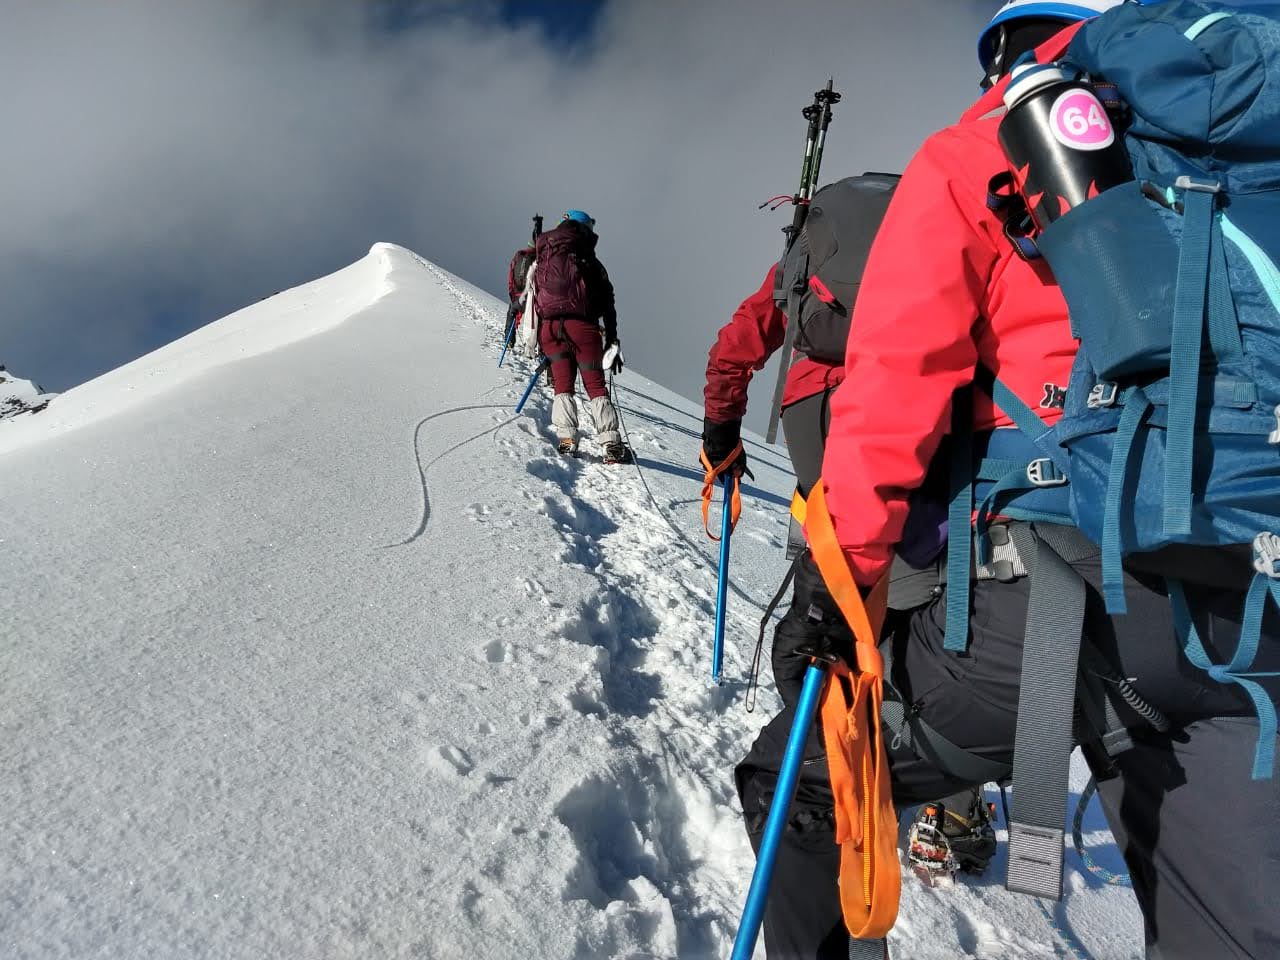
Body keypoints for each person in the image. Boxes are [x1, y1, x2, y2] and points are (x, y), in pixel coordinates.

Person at [771, 1, 1280, 957]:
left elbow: (894, 389)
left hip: (1046, 607)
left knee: (795, 782)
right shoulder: (1241, 136)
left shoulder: (978, 147)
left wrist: (834, 585)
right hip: (1241, 606)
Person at [532, 209, 631, 463]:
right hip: (583, 328)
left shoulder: (544, 254)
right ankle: (610, 443)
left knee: (562, 385)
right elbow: (608, 303)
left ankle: (567, 439)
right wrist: (613, 339)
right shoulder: (590, 261)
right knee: (595, 385)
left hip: (550, 329)